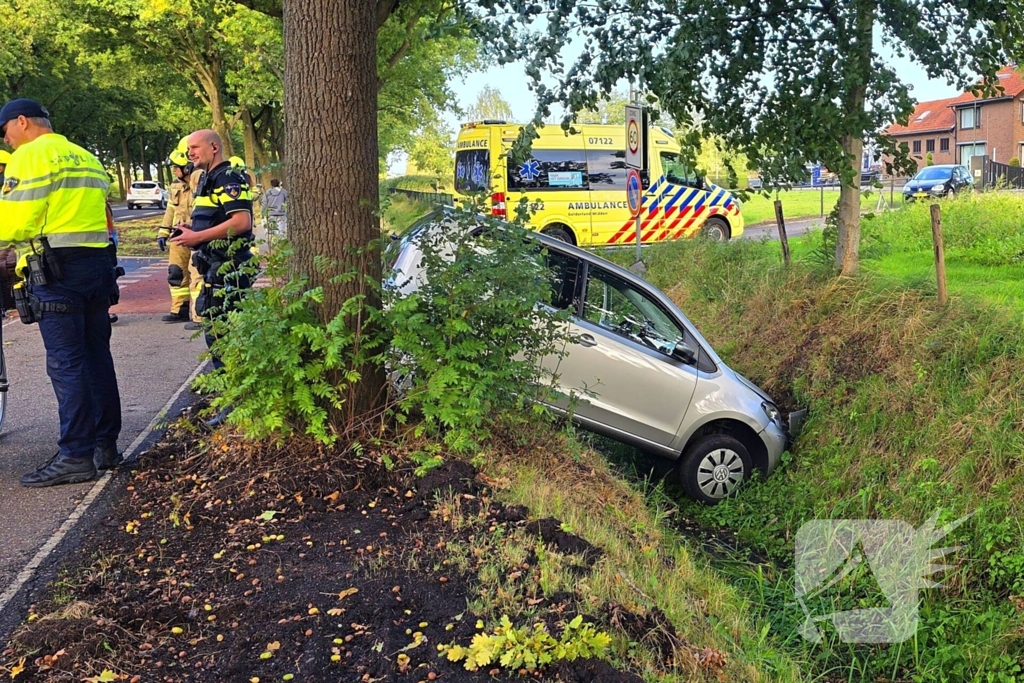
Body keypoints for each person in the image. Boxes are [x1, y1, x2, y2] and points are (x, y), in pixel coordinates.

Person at [0, 98, 122, 487]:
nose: (6, 142)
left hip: (56, 271)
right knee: (97, 356)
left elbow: (14, 223)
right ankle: (105, 447)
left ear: (22, 122)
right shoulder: (86, 157)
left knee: (66, 364)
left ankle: (75, 456)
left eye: (5, 132)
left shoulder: (29, 156)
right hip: (97, 267)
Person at [171, 129, 254, 426]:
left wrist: (198, 237)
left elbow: (241, 222)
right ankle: (231, 403)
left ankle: (235, 409)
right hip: (214, 266)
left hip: (229, 267)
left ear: (214, 147)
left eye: (195, 147)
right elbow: (215, 219)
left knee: (225, 338)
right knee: (217, 336)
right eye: (188, 149)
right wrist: (190, 230)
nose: (190, 153)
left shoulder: (227, 177)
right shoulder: (207, 178)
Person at [157, 141, 197, 323]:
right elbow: (171, 210)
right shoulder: (176, 186)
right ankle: (179, 310)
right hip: (179, 236)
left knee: (198, 275)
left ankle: (200, 316)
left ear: (187, 167)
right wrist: (163, 232)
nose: (173, 170)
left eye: (176, 166)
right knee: (176, 272)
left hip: (197, 236)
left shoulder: (202, 184)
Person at [262, 178, 288, 244]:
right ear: (279, 184)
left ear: (271, 185)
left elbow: (264, 203)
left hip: (271, 215)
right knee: (281, 232)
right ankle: (282, 245)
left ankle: (274, 246)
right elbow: (288, 200)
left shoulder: (267, 192)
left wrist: (262, 212)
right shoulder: (283, 191)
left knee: (273, 233)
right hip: (281, 214)